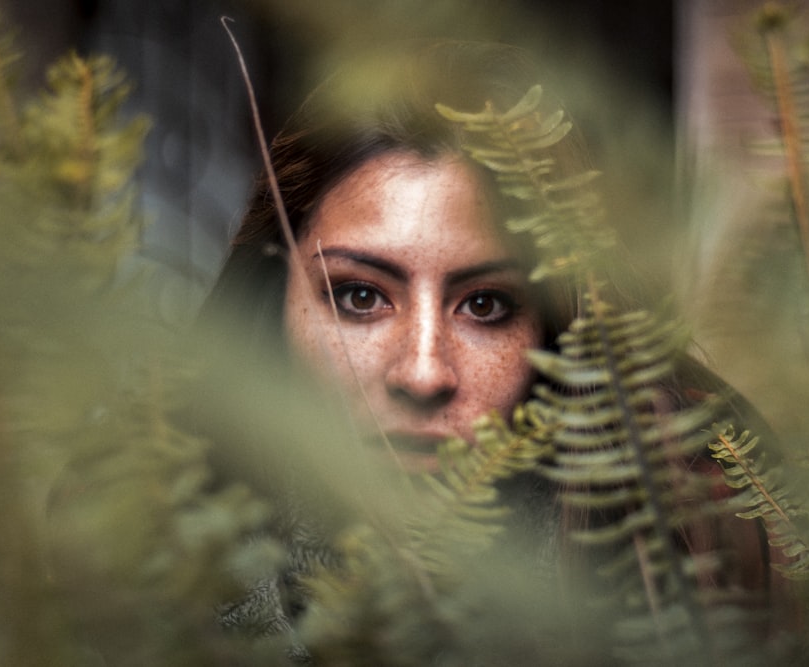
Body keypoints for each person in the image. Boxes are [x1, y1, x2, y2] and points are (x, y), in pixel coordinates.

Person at [201, 38, 774, 657]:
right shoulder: (129, 555)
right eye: (360, 297)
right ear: (271, 294)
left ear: (558, 326)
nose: (423, 374)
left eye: (485, 305)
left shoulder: (703, 545)